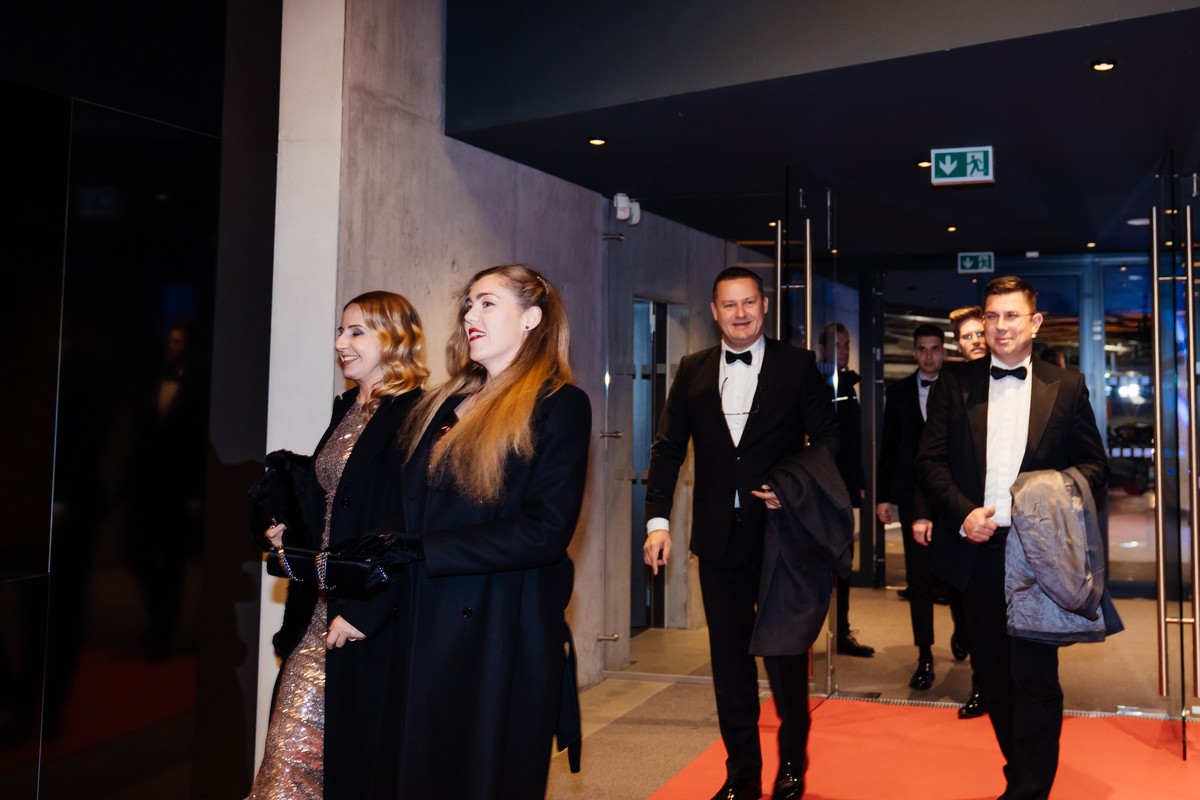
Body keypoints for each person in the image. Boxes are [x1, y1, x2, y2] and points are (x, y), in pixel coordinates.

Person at [374, 265, 590, 799]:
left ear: (531, 319)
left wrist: (427, 550)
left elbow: (546, 530)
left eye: (488, 303)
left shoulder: (560, 404)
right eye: (468, 304)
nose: (471, 314)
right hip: (423, 617)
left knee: (481, 777)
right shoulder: (443, 405)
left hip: (498, 629)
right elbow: (405, 508)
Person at [643, 267, 839, 800]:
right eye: (729, 305)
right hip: (717, 539)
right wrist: (657, 521)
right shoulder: (693, 369)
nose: (740, 313)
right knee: (729, 663)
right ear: (714, 311)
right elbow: (667, 449)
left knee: (785, 656)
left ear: (765, 305)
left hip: (780, 536)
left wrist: (791, 486)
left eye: (748, 302)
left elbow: (827, 438)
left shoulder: (796, 365)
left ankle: (792, 764)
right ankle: (742, 775)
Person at [916, 276, 1108, 799]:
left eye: (1012, 315)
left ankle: (1029, 790)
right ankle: (1020, 775)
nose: (1000, 326)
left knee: (1036, 678)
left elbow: (1094, 467)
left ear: (1035, 322)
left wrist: (1047, 496)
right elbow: (929, 460)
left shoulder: (1066, 386)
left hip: (1037, 557)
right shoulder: (954, 382)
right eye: (992, 316)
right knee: (994, 679)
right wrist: (962, 513)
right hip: (977, 552)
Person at [250, 291, 428, 800]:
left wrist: (368, 610)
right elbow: (334, 501)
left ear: (394, 338)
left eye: (356, 332)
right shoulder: (348, 405)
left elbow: (409, 524)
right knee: (286, 761)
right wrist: (289, 530)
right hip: (318, 609)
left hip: (366, 612)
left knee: (352, 765)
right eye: (339, 331)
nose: (340, 343)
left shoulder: (418, 413)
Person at [876, 324, 961, 692]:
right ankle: (924, 655)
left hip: (954, 496)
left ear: (944, 351)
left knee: (957, 574)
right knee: (919, 579)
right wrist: (883, 496)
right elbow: (889, 444)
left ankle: (962, 630)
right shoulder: (897, 393)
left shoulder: (959, 387)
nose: (929, 355)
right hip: (912, 496)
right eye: (922, 349)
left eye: (935, 348)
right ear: (914, 353)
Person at [817, 322, 875, 658]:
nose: (843, 350)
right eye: (836, 344)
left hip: (843, 485)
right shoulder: (820, 384)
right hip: (822, 486)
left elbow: (854, 442)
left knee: (844, 562)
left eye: (846, 344)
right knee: (823, 562)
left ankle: (841, 632)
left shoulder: (847, 384)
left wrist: (859, 483)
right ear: (823, 349)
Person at [946, 304, 989, 718]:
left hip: (1013, 516)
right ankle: (982, 685)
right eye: (966, 336)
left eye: (979, 333)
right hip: (963, 513)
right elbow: (931, 455)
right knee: (972, 610)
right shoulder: (950, 384)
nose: (974, 341)